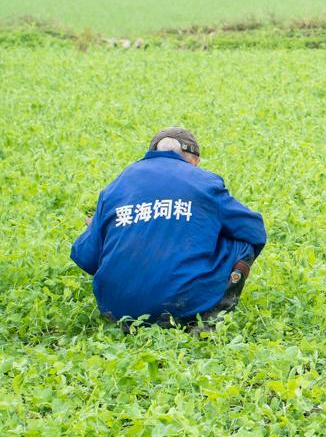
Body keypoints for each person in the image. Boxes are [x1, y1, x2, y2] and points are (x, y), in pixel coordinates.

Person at [71, 127, 266, 332]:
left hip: (116, 312)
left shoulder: (117, 185)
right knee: (242, 243)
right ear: (193, 160)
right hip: (182, 306)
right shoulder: (203, 181)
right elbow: (254, 230)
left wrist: (99, 228)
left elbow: (85, 257)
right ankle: (207, 321)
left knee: (102, 236)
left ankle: (129, 311)